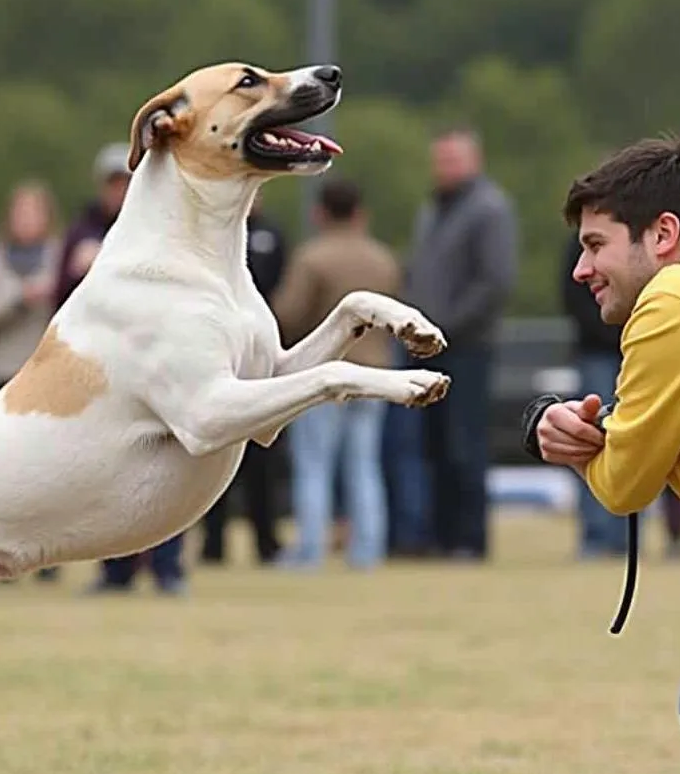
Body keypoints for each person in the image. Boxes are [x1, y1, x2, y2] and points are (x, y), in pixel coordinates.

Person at [524, 135, 680, 771]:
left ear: (663, 234)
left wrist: (574, 447)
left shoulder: (674, 301)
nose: (581, 270)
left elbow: (625, 486)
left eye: (595, 244)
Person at [68, 144, 185, 595]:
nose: (121, 190)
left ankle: (169, 569)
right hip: (108, 373)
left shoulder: (165, 232)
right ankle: (114, 572)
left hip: (160, 366)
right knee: (109, 474)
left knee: (171, 472)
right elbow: (64, 295)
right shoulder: (82, 232)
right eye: (114, 182)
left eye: (127, 181)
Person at [272, 177, 401, 569]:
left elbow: (288, 314)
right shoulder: (384, 259)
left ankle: (310, 550)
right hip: (376, 373)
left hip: (326, 374)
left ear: (319, 212)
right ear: (361, 213)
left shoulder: (312, 258)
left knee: (314, 465)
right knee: (364, 465)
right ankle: (368, 549)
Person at [403, 124, 518, 560]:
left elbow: (494, 282)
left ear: (474, 160)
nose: (443, 168)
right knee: (431, 446)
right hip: (426, 347)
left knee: (463, 442)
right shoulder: (433, 209)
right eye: (440, 160)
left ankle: (469, 540)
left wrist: (444, 329)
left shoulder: (489, 209)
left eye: (452, 159)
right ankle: (439, 535)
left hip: (467, 347)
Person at [0, 179, 61, 581]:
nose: (27, 220)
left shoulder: (60, 258)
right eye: (20, 212)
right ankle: (0, 558)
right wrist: (20, 299)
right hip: (2, 375)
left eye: (34, 212)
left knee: (52, 471)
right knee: (4, 473)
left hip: (49, 376)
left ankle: (49, 556)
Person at [200, 190, 285, 566]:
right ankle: (212, 545)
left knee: (260, 462)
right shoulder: (209, 235)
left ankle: (267, 543)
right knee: (214, 458)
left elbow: (282, 288)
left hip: (257, 357)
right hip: (217, 354)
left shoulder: (270, 234)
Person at [560, 227, 627, 558]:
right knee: (591, 439)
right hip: (599, 352)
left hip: (632, 348)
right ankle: (599, 536)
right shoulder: (590, 229)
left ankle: (624, 536)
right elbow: (571, 290)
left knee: (636, 442)